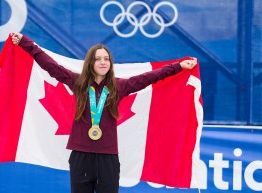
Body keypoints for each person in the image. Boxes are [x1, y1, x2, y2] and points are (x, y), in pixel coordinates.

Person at [11, 32, 197, 193]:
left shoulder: (119, 86)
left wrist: (179, 66)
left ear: (110, 63)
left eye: (106, 58)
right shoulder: (78, 83)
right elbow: (50, 65)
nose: (102, 62)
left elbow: (149, 77)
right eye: (98, 58)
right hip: (80, 156)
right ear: (90, 62)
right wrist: (25, 43)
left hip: (108, 157)